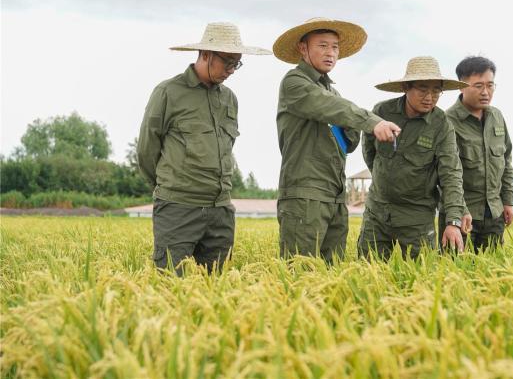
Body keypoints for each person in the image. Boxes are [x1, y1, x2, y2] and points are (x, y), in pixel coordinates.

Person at [137, 22, 271, 274]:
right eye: (228, 62)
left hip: (220, 211)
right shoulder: (168, 92)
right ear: (206, 54)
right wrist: (170, 187)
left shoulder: (229, 98)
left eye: (237, 64)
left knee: (216, 289)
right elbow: (147, 150)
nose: (232, 70)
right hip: (178, 209)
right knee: (170, 284)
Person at [273, 17, 401, 263]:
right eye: (322, 45)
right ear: (303, 48)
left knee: (333, 274)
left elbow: (348, 143)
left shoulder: (333, 92)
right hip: (305, 195)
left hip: (335, 194)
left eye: (334, 47)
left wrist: (356, 123)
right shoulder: (295, 82)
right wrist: (373, 122)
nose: (330, 53)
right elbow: (331, 107)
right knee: (301, 273)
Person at [357, 56, 472, 260]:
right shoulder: (382, 112)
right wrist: (385, 179)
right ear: (406, 87)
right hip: (378, 211)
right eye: (422, 89)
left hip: (417, 216)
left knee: (422, 279)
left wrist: (453, 221)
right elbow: (370, 152)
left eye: (436, 90)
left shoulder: (442, 126)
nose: (430, 97)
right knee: (367, 273)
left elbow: (451, 174)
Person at [438, 56, 513, 253]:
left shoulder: (496, 117)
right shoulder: (447, 122)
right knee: (455, 275)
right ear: (461, 87)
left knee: (492, 275)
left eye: (490, 85)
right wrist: (456, 213)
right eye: (478, 86)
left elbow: (506, 161)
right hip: (462, 217)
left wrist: (507, 201)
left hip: (494, 215)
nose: (485, 92)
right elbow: (443, 175)